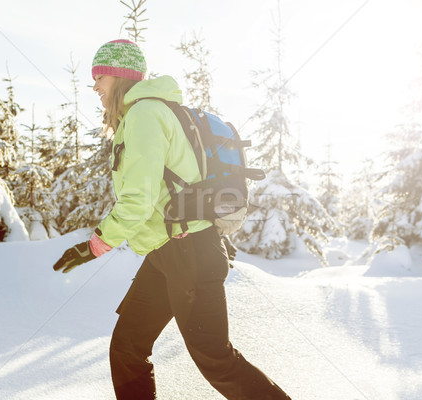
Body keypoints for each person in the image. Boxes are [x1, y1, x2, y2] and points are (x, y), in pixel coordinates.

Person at [59, 39, 292, 400]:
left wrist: (95, 245)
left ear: (119, 77)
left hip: (190, 253)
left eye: (100, 78)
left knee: (215, 359)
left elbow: (138, 199)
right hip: (168, 252)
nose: (95, 87)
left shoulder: (144, 115)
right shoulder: (143, 115)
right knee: (127, 347)